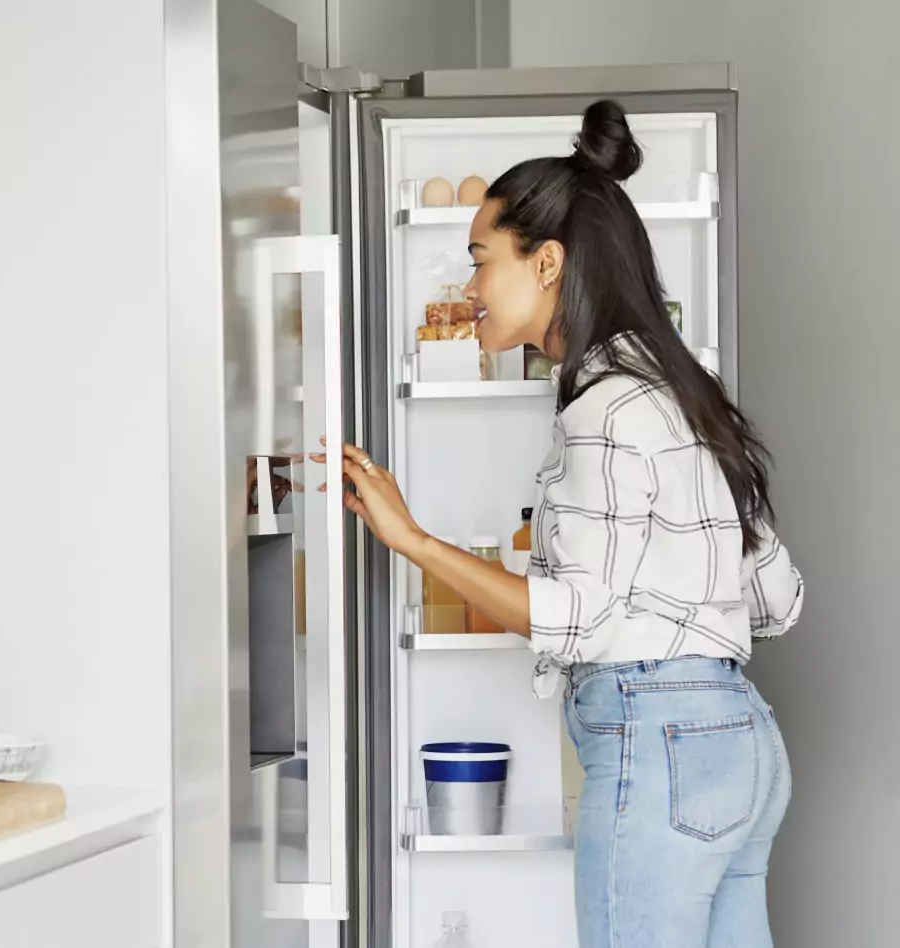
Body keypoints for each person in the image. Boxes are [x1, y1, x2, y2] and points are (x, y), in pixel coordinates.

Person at [323, 101, 804, 947]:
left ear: (546, 262)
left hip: (656, 741)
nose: (470, 289)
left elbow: (575, 618)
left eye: (480, 260)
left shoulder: (605, 411)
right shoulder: (688, 392)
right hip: (743, 742)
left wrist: (415, 542)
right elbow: (778, 600)